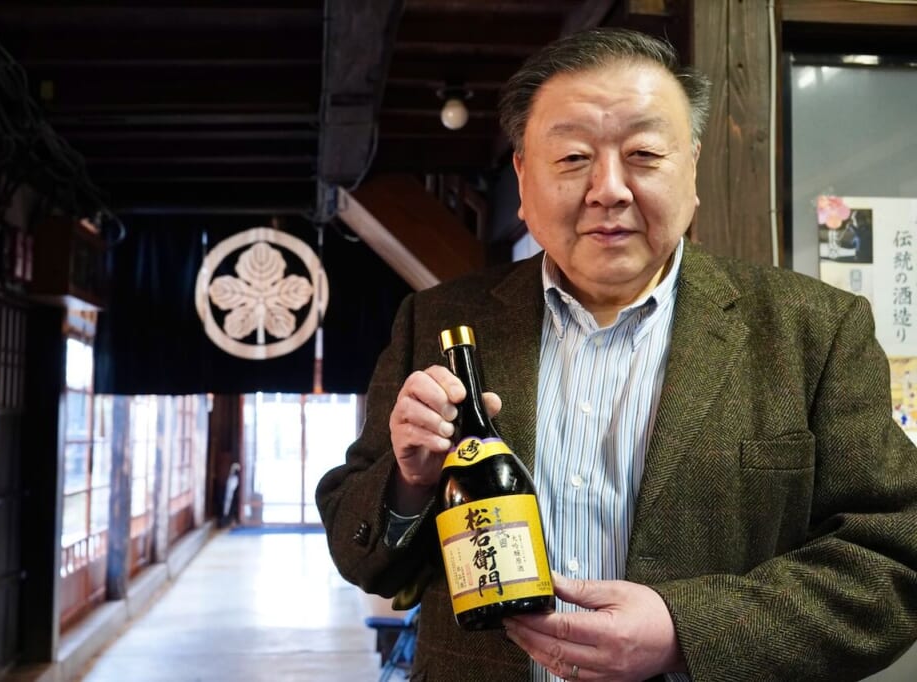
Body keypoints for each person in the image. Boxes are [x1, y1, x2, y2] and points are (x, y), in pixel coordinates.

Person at [316, 27, 917, 682]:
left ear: (691, 167)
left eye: (644, 153)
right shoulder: (439, 322)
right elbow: (361, 552)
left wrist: (685, 631)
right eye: (573, 158)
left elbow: (892, 559)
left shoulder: (812, 331)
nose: (609, 188)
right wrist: (410, 481)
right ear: (522, 176)